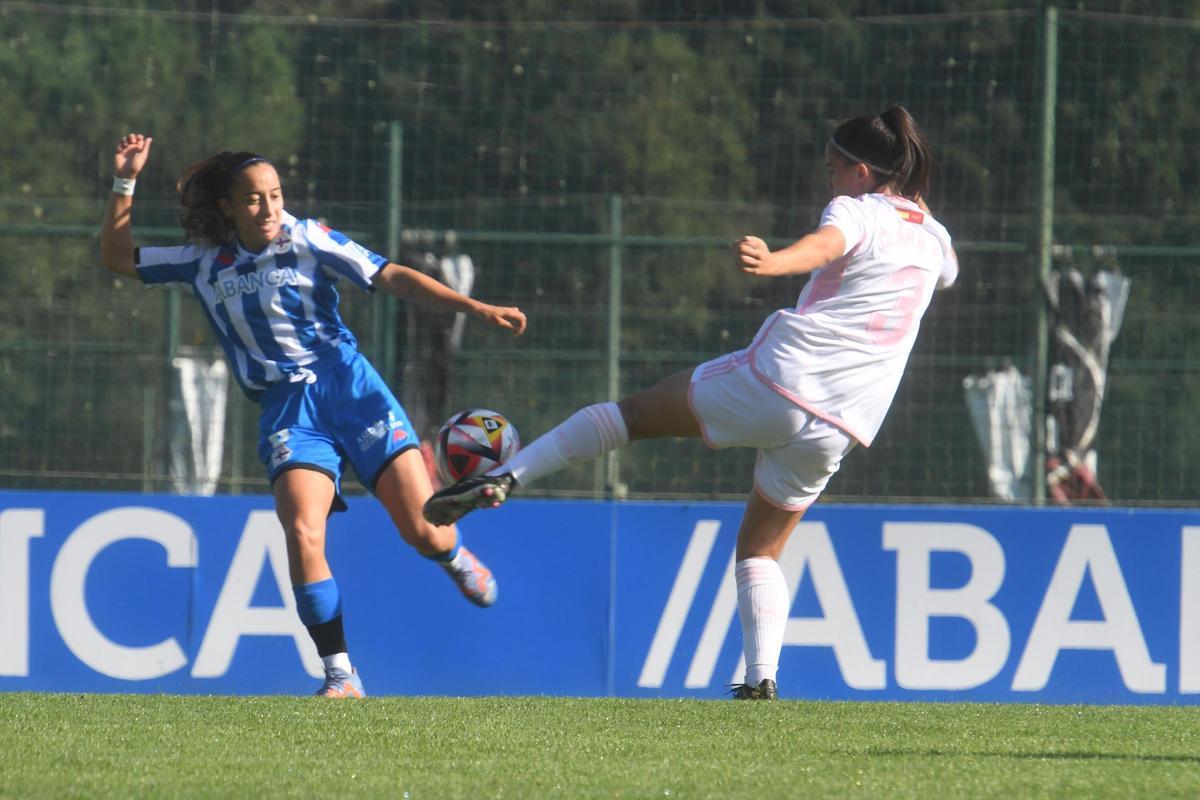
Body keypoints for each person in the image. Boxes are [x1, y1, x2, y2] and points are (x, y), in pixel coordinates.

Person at [424, 106, 957, 700]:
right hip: (845, 421)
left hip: (782, 378)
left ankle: (508, 475)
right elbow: (947, 274)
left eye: (834, 169)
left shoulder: (856, 211)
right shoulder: (933, 238)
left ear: (861, 172)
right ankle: (761, 677)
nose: (828, 178)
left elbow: (823, 246)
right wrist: (924, 219)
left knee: (627, 416)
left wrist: (773, 261)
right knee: (760, 548)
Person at [99, 133, 527, 698]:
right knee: (302, 531)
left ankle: (451, 553)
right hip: (287, 410)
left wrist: (473, 306)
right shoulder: (202, 262)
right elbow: (116, 258)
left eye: (275, 195)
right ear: (227, 206)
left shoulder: (308, 237)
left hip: (351, 389)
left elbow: (389, 274)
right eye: (254, 198)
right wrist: (125, 181)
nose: (270, 208)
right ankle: (341, 675)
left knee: (421, 529)